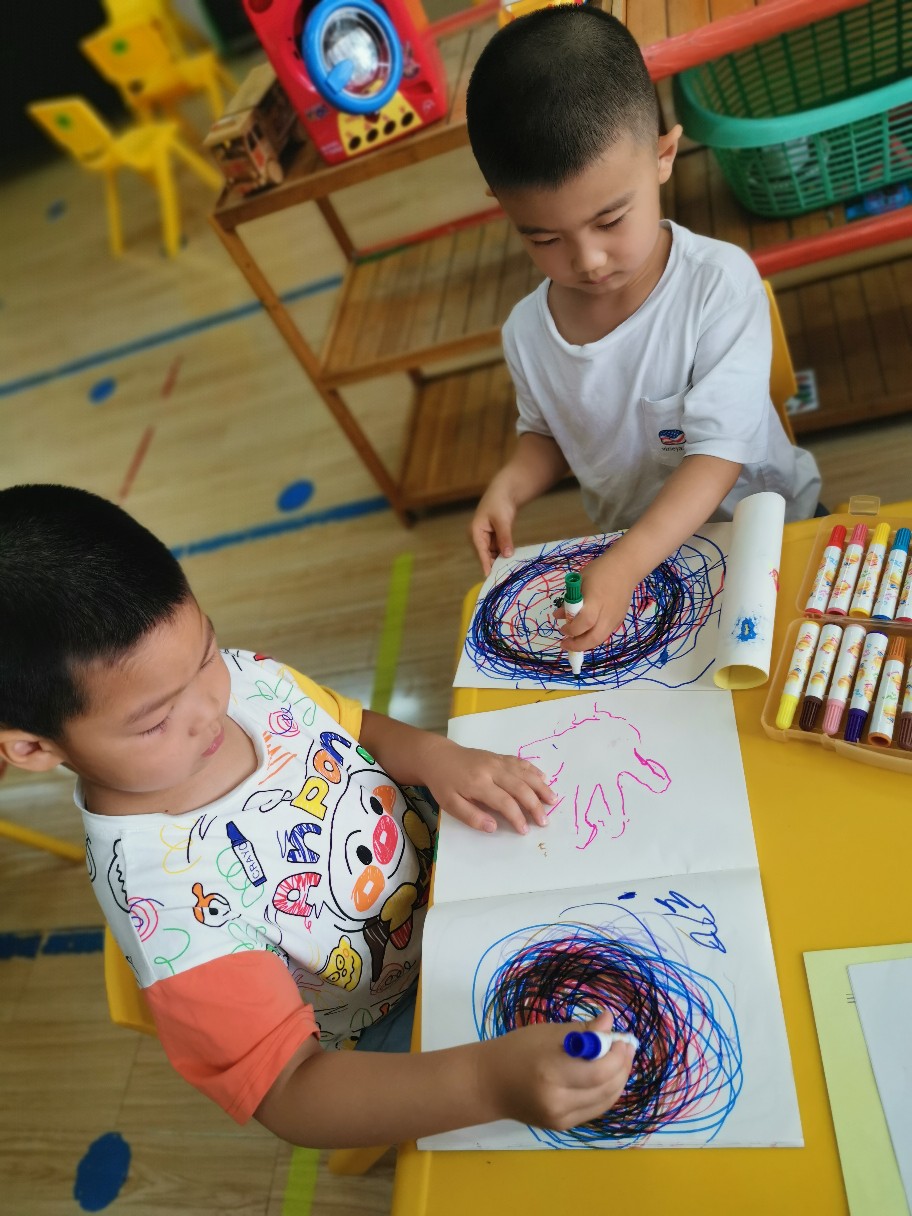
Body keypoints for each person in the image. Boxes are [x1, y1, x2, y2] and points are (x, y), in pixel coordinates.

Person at [0, 483, 634, 1147]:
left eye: (206, 652)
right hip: (391, 1017)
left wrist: (434, 755)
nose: (212, 707)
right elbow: (291, 1090)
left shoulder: (247, 680)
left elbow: (350, 728)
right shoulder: (166, 909)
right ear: (34, 749)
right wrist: (485, 1084)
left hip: (464, 872)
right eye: (157, 721)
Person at [466, 7, 821, 653]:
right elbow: (549, 434)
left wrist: (625, 565)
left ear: (663, 155)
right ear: (504, 208)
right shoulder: (525, 333)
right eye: (543, 239)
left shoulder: (717, 284)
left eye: (610, 221)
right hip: (647, 569)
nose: (587, 261)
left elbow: (717, 456)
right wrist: (509, 487)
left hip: (771, 535)